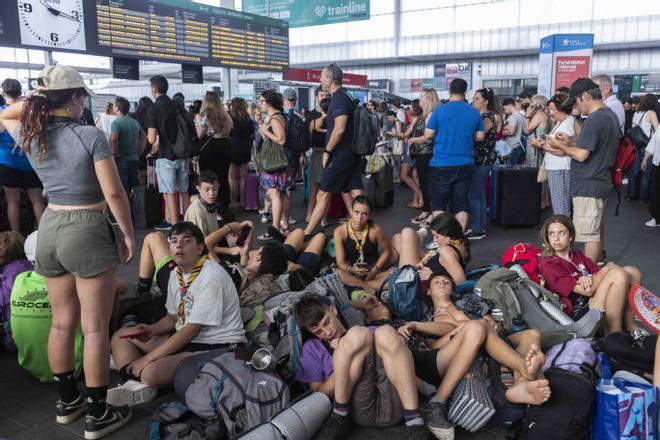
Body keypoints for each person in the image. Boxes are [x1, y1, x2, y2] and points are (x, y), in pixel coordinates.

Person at [0, 65, 135, 438]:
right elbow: (114, 193)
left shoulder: (31, 132)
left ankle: (67, 402)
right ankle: (97, 413)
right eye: (82, 96)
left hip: (50, 229)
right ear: (74, 98)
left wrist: (38, 98)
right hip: (87, 228)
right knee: (93, 328)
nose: (84, 102)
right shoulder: (90, 136)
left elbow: (5, 112)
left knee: (62, 321)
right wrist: (126, 233)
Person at [110, 222, 246, 398]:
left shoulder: (212, 276)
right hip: (185, 338)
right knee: (121, 336)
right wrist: (151, 330)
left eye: (186, 240)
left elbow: (191, 330)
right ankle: (136, 382)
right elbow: (172, 318)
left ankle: (141, 376)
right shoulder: (177, 274)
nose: (179, 245)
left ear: (199, 248)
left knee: (150, 372)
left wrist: (148, 358)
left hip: (217, 345)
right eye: (174, 241)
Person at [294, 294, 431, 440]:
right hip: (358, 407)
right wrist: (340, 359)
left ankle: (415, 422)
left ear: (333, 310)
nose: (327, 333)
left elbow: (401, 369)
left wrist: (427, 389)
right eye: (318, 332)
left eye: (327, 322)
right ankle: (339, 415)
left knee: (384, 331)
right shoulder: (312, 348)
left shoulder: (367, 331)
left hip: (395, 404)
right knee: (357, 335)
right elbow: (319, 395)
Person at [546, 78, 620, 264]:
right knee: (593, 229)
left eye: (577, 102)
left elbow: (581, 155)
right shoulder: (609, 115)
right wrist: (569, 142)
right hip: (599, 180)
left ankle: (588, 274)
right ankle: (593, 267)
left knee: (589, 235)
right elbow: (590, 146)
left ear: (585, 96)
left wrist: (559, 145)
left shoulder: (595, 119)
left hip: (589, 183)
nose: (576, 107)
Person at [538, 215, 641, 333]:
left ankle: (630, 325)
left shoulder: (576, 254)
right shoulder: (549, 264)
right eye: (551, 234)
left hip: (594, 300)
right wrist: (606, 268)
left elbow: (596, 272)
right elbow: (588, 290)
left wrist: (588, 277)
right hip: (581, 314)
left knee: (633, 272)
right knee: (616, 274)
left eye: (561, 233)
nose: (555, 238)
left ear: (570, 236)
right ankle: (615, 332)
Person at [304, 63, 362, 238]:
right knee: (355, 192)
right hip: (349, 154)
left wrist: (327, 152)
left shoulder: (339, 99)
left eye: (322, 77)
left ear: (329, 79)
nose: (320, 80)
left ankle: (306, 234)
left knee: (323, 194)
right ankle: (365, 231)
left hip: (341, 155)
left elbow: (340, 129)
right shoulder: (346, 97)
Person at [419, 78, 484, 231]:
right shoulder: (474, 112)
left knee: (439, 204)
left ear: (449, 91)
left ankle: (441, 239)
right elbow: (480, 136)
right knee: (461, 203)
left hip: (441, 163)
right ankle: (457, 239)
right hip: (465, 163)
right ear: (465, 92)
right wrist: (465, 135)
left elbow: (428, 135)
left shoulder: (440, 110)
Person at [147, 75, 193, 231]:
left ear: (154, 90)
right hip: (183, 154)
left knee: (170, 193)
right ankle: (188, 225)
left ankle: (175, 228)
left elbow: (152, 138)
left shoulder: (154, 108)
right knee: (184, 190)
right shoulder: (177, 105)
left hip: (165, 156)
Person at [0, 78, 44, 235]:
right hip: (30, 162)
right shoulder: (29, 110)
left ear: (3, 92)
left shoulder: (2, 112)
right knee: (37, 200)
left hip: (7, 162)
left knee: (13, 201)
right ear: (20, 92)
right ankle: (44, 236)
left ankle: (16, 238)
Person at [333, 195, 393, 293]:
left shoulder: (375, 230)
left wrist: (375, 269)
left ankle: (360, 287)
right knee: (338, 273)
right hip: (352, 270)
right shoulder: (340, 232)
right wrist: (352, 270)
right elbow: (340, 262)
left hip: (373, 269)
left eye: (364, 214)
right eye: (356, 212)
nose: (359, 218)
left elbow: (387, 251)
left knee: (392, 274)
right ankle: (372, 288)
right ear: (351, 211)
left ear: (370, 215)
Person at [528, 92, 574, 216]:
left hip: (560, 168)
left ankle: (562, 231)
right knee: (560, 205)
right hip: (556, 167)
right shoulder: (561, 123)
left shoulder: (567, 124)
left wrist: (542, 145)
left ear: (562, 109)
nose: (550, 112)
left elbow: (561, 151)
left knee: (561, 207)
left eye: (553, 109)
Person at [393, 213, 469, 285]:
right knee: (398, 238)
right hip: (424, 268)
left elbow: (461, 282)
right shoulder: (458, 242)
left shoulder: (446, 251)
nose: (435, 240)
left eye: (437, 236)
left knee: (407, 233)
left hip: (414, 282)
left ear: (447, 234)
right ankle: (418, 237)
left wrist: (432, 275)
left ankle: (394, 289)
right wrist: (422, 263)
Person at [256, 90, 292, 241]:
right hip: (279, 162)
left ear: (269, 103)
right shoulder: (274, 116)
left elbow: (281, 139)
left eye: (262, 101)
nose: (260, 104)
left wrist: (265, 130)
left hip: (274, 163)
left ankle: (274, 230)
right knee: (281, 193)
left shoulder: (275, 117)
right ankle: (284, 227)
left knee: (274, 194)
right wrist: (261, 124)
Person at [467, 87, 498, 240]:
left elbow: (479, 135)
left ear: (486, 102)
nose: (474, 101)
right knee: (478, 193)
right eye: (474, 98)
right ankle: (478, 226)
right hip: (481, 159)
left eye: (477, 98)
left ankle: (477, 228)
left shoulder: (486, 117)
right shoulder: (480, 116)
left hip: (483, 159)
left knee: (474, 193)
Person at [193, 91, 233, 208]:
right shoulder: (225, 116)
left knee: (208, 179)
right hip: (225, 147)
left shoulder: (205, 115)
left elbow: (199, 134)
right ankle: (224, 205)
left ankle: (211, 206)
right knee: (223, 178)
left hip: (210, 149)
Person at [407, 88, 440, 227]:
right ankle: (426, 210)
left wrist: (413, 140)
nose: (419, 99)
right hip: (421, 154)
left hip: (427, 154)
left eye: (422, 96)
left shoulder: (431, 115)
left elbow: (429, 137)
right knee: (424, 183)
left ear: (429, 99)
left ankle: (431, 212)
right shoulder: (424, 115)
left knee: (428, 184)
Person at [305, 88, 331, 228]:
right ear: (316, 97)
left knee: (327, 188)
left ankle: (323, 217)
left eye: (327, 95)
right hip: (317, 153)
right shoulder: (312, 115)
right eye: (322, 95)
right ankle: (310, 213)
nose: (324, 97)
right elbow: (309, 132)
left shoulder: (333, 113)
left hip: (330, 153)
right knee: (314, 187)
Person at [110, 97, 146, 194]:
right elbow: (144, 137)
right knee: (134, 190)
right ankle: (135, 208)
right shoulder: (135, 122)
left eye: (114, 105)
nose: (112, 107)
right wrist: (140, 152)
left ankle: (126, 209)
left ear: (117, 108)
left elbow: (113, 139)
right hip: (135, 159)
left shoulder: (116, 123)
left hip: (122, 160)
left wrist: (115, 153)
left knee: (123, 191)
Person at [627, 93, 658, 202]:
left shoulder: (637, 112)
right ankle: (643, 198)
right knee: (646, 173)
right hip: (648, 145)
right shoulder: (651, 113)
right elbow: (658, 130)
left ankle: (631, 194)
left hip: (637, 145)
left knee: (635, 170)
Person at [228, 97, 256, 209]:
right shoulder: (248, 119)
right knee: (243, 176)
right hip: (245, 146)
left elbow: (226, 133)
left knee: (232, 177)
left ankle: (233, 201)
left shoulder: (229, 118)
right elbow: (252, 134)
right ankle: (243, 201)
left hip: (232, 147)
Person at [523, 95, 549, 168]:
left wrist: (528, 115)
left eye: (531, 101)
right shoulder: (542, 114)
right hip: (536, 148)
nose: (529, 104)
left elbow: (527, 130)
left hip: (535, 150)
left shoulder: (539, 114)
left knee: (533, 174)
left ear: (538, 105)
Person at [642, 123, 660, 227]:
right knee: (656, 191)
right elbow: (653, 144)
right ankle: (657, 218)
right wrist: (645, 159)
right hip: (658, 164)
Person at [502, 97, 525, 165]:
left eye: (505, 109)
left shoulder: (513, 116)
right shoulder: (521, 115)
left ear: (510, 106)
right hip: (518, 146)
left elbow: (511, 132)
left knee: (510, 170)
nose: (505, 111)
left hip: (513, 146)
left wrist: (500, 133)